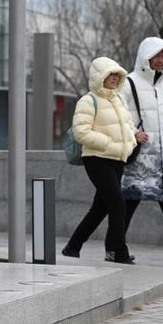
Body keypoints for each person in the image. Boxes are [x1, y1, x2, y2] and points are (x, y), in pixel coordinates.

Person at [61, 57, 141, 264]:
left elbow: (129, 125)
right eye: (110, 74)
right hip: (97, 159)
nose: (114, 78)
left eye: (117, 75)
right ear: (100, 77)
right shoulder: (88, 101)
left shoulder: (119, 99)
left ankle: (72, 247)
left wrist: (131, 142)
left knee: (100, 208)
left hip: (117, 160)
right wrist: (107, 143)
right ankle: (117, 250)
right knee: (117, 204)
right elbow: (81, 132)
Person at [121, 37, 163, 232]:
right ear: (145, 57)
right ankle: (115, 247)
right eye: (156, 56)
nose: (160, 60)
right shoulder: (129, 82)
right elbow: (118, 114)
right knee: (130, 202)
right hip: (139, 158)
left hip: (161, 159)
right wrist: (134, 133)